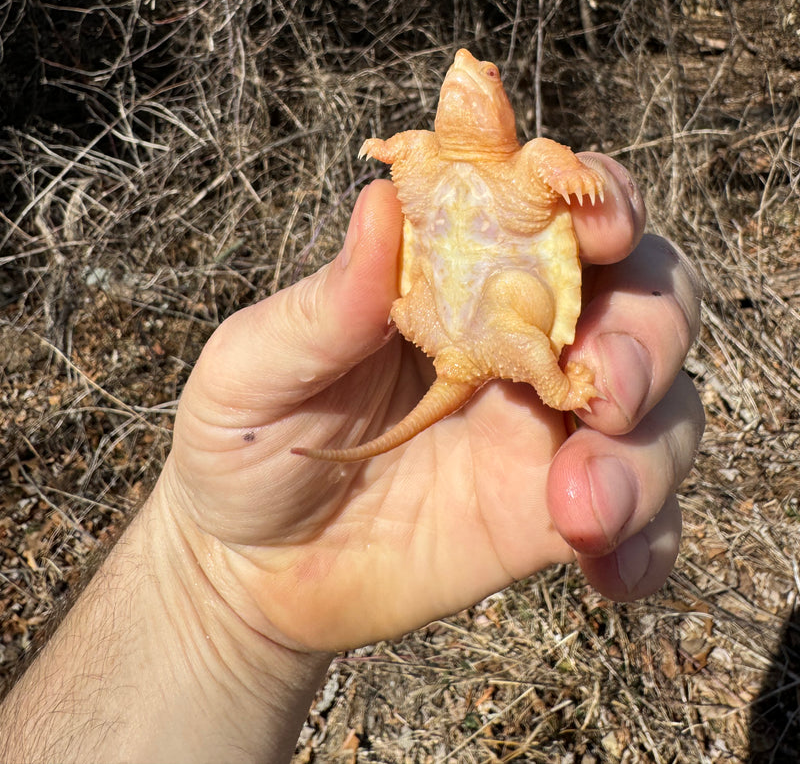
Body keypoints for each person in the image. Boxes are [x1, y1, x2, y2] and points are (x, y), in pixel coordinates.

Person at [0, 157, 703, 763]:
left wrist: (222, 596)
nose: (469, 72)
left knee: (541, 347)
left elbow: (548, 163)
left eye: (485, 76)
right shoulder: (429, 153)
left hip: (499, 326)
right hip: (448, 327)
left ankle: (559, 380)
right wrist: (213, 582)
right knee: (522, 343)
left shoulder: (522, 163)